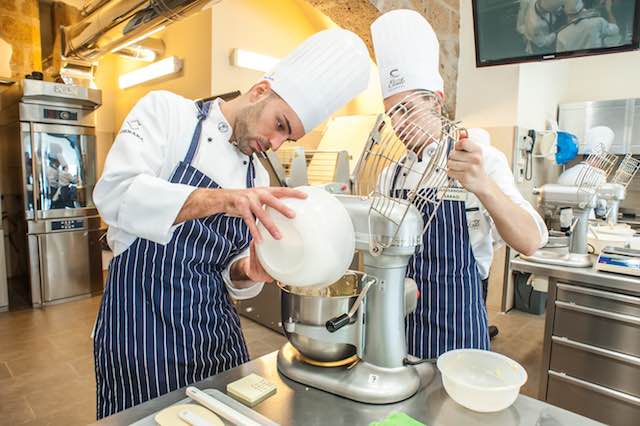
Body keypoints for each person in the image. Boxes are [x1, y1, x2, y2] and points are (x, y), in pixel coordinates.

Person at [92, 28, 370, 418]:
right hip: (143, 329)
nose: (275, 143)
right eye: (279, 124)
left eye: (286, 138)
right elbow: (115, 195)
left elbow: (231, 277)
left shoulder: (253, 176)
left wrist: (248, 271)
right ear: (260, 91)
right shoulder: (168, 114)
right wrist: (224, 200)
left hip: (214, 333)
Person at [371, 10, 548, 359]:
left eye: (406, 110)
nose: (399, 125)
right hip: (395, 323)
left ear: (436, 103)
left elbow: (529, 242)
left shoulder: (482, 160)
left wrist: (482, 185)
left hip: (457, 323)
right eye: (392, 115)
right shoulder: (389, 175)